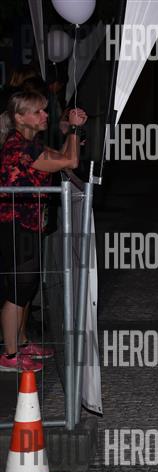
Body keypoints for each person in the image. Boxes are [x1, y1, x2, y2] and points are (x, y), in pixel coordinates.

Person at [0, 91, 86, 372]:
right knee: (18, 289)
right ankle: (10, 355)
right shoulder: (20, 148)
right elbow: (71, 162)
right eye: (38, 111)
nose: (45, 115)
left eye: (44, 110)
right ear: (19, 117)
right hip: (16, 224)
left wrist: (70, 134)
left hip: (29, 222)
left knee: (27, 286)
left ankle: (22, 342)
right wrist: (74, 130)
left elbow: (62, 157)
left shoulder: (30, 143)